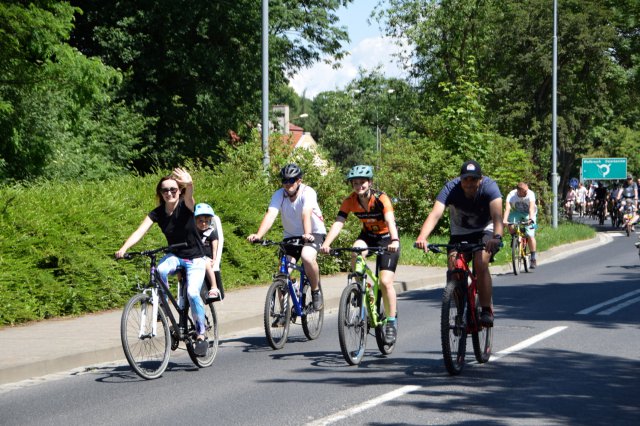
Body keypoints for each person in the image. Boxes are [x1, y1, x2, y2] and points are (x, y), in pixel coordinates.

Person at [115, 168, 209, 355]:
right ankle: (164, 310)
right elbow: (140, 231)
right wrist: (124, 248)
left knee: (192, 293)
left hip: (195, 258)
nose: (169, 193)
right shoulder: (157, 213)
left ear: (179, 191)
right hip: (175, 255)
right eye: (165, 190)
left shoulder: (186, 206)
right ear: (160, 193)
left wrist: (189, 184)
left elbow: (190, 197)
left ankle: (201, 334)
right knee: (159, 270)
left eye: (173, 189)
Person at [415, 160, 503, 327]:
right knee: (453, 266)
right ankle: (460, 308)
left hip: (486, 230)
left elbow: (497, 216)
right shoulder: (450, 188)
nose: (469, 183)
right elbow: (435, 214)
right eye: (465, 179)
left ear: (480, 179)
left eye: (473, 179)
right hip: (460, 232)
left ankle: (486, 309)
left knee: (480, 261)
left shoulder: (490, 187)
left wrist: (497, 237)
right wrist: (422, 237)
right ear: (460, 179)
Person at [320, 165, 401, 344]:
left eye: (362, 183)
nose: (359, 186)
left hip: (387, 239)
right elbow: (339, 222)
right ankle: (361, 289)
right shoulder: (350, 200)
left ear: (370, 182)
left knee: (386, 282)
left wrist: (394, 240)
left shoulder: (381, 198)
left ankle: (391, 322)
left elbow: (390, 220)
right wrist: (326, 244)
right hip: (368, 237)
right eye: (355, 183)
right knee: (356, 251)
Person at [247, 163, 326, 310]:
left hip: (314, 232)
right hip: (291, 235)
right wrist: (258, 235)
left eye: (291, 180)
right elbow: (271, 215)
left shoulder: (308, 192)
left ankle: (315, 291)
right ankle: (284, 313)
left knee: (307, 257)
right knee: (282, 273)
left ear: (299, 181)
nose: (287, 184)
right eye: (285, 180)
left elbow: (306, 213)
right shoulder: (279, 195)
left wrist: (307, 233)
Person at [503, 182, 538, 268]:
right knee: (509, 223)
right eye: (524, 191)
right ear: (518, 191)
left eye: (527, 190)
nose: (526, 192)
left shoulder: (530, 194)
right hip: (517, 212)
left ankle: (533, 258)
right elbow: (507, 209)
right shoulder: (511, 195)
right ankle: (514, 237)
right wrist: (504, 220)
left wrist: (530, 219)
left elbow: (531, 209)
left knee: (530, 234)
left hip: (530, 213)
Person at [194, 203, 222, 300]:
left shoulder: (210, 232)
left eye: (206, 221)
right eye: (201, 221)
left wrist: (214, 259)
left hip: (206, 257)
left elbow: (215, 247)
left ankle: (214, 287)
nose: (204, 224)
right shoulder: (193, 233)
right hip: (195, 256)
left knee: (206, 264)